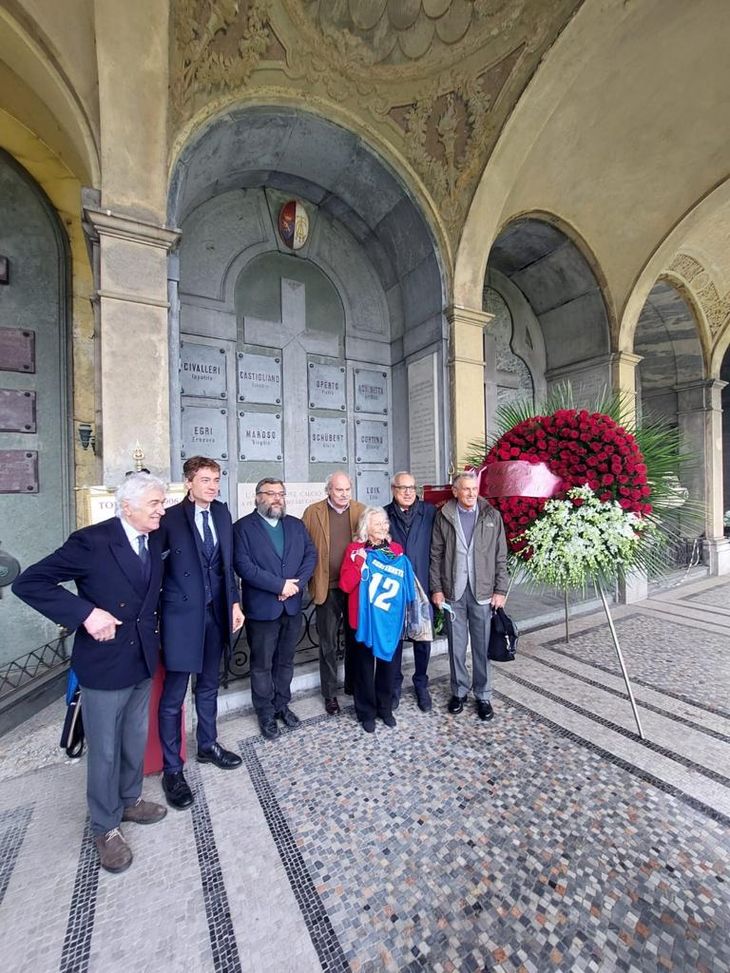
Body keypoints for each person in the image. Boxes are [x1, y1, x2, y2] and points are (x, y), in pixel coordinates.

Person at [11, 472, 168, 874]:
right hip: (105, 662)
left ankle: (130, 800)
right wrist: (85, 613)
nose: (161, 510)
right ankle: (105, 827)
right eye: (154, 503)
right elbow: (30, 583)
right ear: (127, 506)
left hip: (142, 659)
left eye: (161, 502)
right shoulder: (92, 541)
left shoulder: (152, 540)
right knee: (105, 750)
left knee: (134, 738)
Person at [156, 456, 245, 812]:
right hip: (180, 618)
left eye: (216, 479)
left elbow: (228, 566)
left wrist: (235, 603)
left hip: (216, 614)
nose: (212, 485)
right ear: (188, 483)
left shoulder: (222, 514)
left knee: (209, 685)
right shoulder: (169, 519)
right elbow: (155, 572)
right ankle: (172, 770)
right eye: (205, 479)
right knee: (174, 696)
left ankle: (208, 746)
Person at [233, 478, 317, 740]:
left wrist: (295, 585)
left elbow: (310, 555)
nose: (277, 498)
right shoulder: (242, 528)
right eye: (270, 494)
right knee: (262, 664)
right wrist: (278, 585)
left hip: (291, 607)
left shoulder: (295, 525)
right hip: (263, 608)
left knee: (286, 660)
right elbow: (243, 566)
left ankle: (282, 704)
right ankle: (265, 712)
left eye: (280, 493)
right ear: (257, 497)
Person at [429, 470, 509, 721]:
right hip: (454, 592)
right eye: (466, 489)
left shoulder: (491, 516)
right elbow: (436, 555)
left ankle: (483, 695)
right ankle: (459, 691)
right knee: (456, 645)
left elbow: (500, 556)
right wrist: (437, 589)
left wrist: (500, 589)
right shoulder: (444, 516)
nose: (471, 493)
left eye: (474, 489)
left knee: (481, 646)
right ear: (455, 491)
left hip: (483, 592)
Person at [339, 507, 415, 733]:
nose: (384, 526)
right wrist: (359, 563)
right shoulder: (354, 550)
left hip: (389, 621)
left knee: (388, 666)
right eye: (377, 523)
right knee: (363, 667)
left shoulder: (396, 551)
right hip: (362, 621)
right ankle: (366, 713)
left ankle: (385, 708)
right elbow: (345, 585)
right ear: (366, 528)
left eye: (385, 522)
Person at [301, 471, 364, 715]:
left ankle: (352, 684)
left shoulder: (360, 510)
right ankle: (330, 693)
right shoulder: (312, 512)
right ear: (328, 490)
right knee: (327, 642)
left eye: (347, 489)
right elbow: (304, 546)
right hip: (326, 588)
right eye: (339, 490)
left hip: (355, 587)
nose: (344, 494)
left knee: (355, 639)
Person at [384, 470, 437, 712]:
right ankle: (394, 686)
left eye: (411, 488)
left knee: (422, 639)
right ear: (393, 490)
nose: (408, 492)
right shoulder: (383, 514)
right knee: (394, 641)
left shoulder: (430, 512)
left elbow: (439, 549)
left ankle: (421, 684)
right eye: (402, 488)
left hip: (423, 586)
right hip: (394, 589)